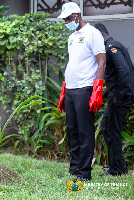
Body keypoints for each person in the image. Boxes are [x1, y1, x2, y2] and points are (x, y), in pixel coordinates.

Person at [57, 2, 106, 181]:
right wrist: (64, 89)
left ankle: (84, 173)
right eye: (64, 20)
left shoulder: (93, 33)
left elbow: (101, 61)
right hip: (70, 90)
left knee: (85, 131)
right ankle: (75, 169)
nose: (66, 22)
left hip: (85, 89)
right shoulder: (72, 37)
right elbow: (73, 63)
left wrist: (97, 89)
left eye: (69, 18)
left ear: (78, 15)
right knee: (72, 130)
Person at [94, 23, 134, 176]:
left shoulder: (111, 46)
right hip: (118, 95)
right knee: (106, 127)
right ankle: (118, 166)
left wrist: (118, 95)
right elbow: (118, 76)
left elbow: (124, 71)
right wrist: (104, 94)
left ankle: (116, 169)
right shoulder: (110, 46)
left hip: (121, 97)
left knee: (113, 131)